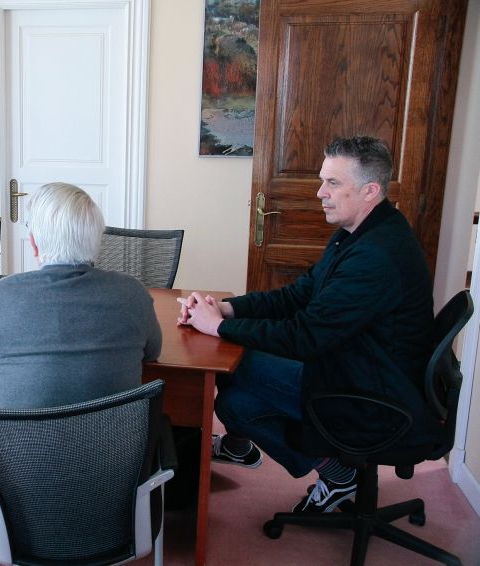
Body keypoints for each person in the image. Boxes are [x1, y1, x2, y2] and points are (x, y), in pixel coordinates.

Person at [178, 136, 439, 514]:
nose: (320, 193)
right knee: (235, 404)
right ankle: (332, 471)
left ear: (370, 191)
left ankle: (339, 474)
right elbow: (297, 295)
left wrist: (217, 328)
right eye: (323, 180)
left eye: (333, 183)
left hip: (373, 395)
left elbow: (305, 337)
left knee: (238, 363)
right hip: (355, 365)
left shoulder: (376, 256)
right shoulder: (357, 233)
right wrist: (227, 309)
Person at [0, 182, 162, 408]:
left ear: (34, 244)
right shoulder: (132, 293)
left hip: (21, 442)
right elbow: (153, 352)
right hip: (115, 441)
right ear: (97, 240)